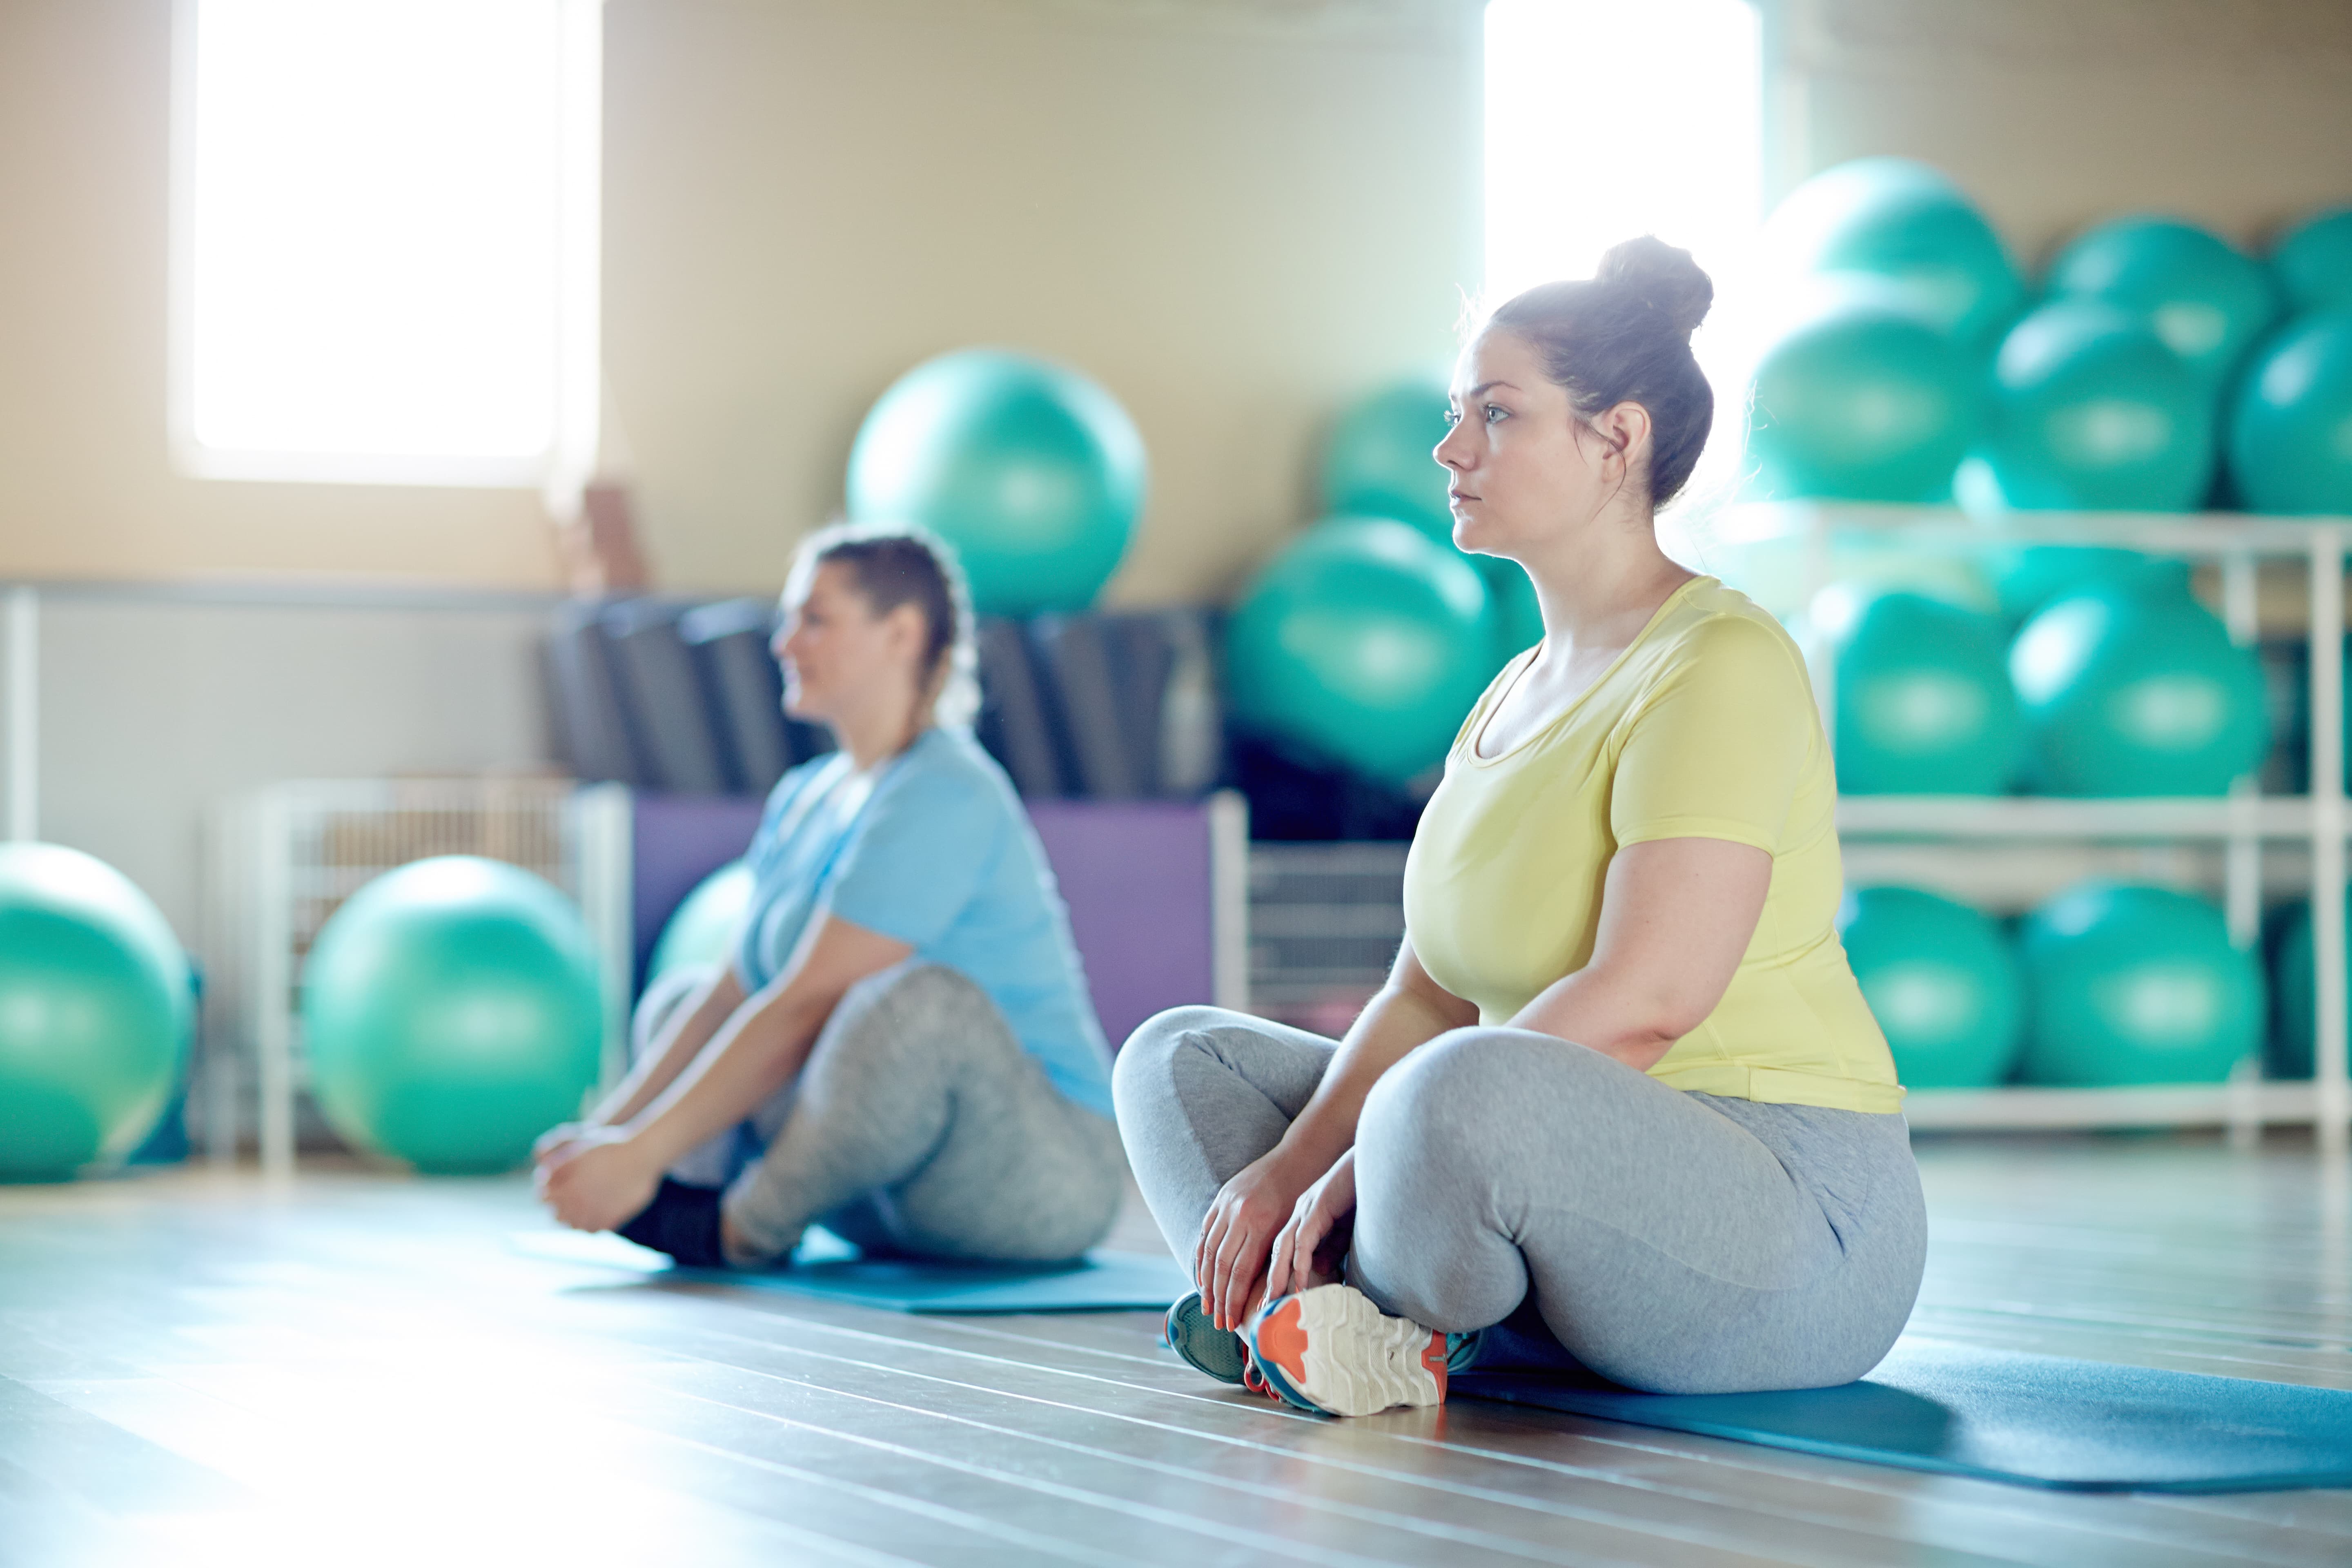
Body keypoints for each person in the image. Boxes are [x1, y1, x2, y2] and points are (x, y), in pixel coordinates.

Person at [1115, 237, 1925, 1419]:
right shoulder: (1507, 691)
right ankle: (1343, 1316)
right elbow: (1424, 997)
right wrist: (1289, 1171)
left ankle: (1361, 1318)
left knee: (1449, 1098)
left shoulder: (1721, 662)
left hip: (1789, 1218)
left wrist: (1363, 1165)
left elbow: (1649, 1000)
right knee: (1181, 1057)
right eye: (1456, 414)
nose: (1449, 450)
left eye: (1496, 416)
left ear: (1619, 439)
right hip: (1530, 1177)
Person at [535, 523, 1123, 1269]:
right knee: (682, 998)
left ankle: (744, 1227)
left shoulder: (945, 789)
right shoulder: (806, 796)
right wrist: (609, 1138)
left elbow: (805, 1005)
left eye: (814, 620)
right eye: (788, 620)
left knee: (913, 1004)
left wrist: (642, 1151)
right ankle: (688, 1195)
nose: (785, 643)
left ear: (902, 634)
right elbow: (732, 992)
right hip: (882, 1183)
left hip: (1035, 1172)